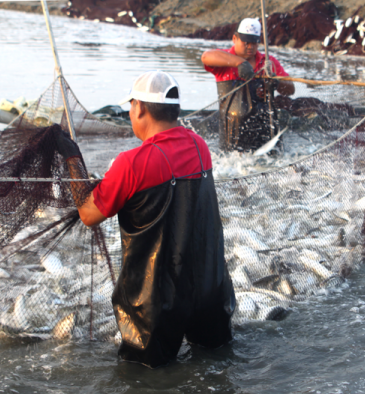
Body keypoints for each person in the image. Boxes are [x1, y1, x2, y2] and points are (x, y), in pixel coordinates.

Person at [55, 70, 236, 368]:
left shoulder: (131, 164)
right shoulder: (199, 147)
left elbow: (88, 214)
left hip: (153, 306)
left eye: (130, 108)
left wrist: (73, 158)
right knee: (214, 365)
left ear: (138, 108)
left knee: (144, 377)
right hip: (208, 292)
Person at [201, 18, 295, 152]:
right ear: (235, 38)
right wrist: (239, 62)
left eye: (254, 43)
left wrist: (277, 83)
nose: (250, 47)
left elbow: (290, 90)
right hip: (232, 135)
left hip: (266, 133)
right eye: (246, 42)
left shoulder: (268, 63)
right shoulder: (224, 60)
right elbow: (206, 56)